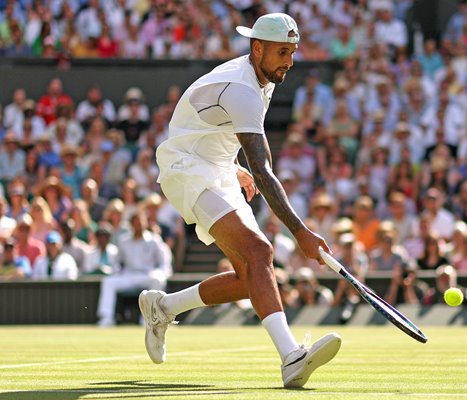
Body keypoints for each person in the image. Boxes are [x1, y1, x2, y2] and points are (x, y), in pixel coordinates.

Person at [138, 13, 340, 388]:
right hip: (186, 167)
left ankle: (162, 307)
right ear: (257, 48)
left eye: (293, 53)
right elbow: (263, 171)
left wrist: (231, 165)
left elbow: (213, 125)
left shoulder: (265, 77)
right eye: (282, 52)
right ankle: (291, 357)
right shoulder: (242, 88)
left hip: (216, 166)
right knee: (260, 252)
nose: (289, 62)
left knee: (251, 277)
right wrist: (301, 232)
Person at [97, 211, 170, 327]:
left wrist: (160, 272)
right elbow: (117, 262)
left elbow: (164, 262)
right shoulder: (123, 241)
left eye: (140, 223)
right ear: (131, 225)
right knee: (108, 282)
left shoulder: (154, 240)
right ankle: (106, 318)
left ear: (145, 224)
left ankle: (148, 319)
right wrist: (116, 272)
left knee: (158, 280)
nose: (138, 226)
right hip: (128, 275)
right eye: (136, 223)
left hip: (147, 275)